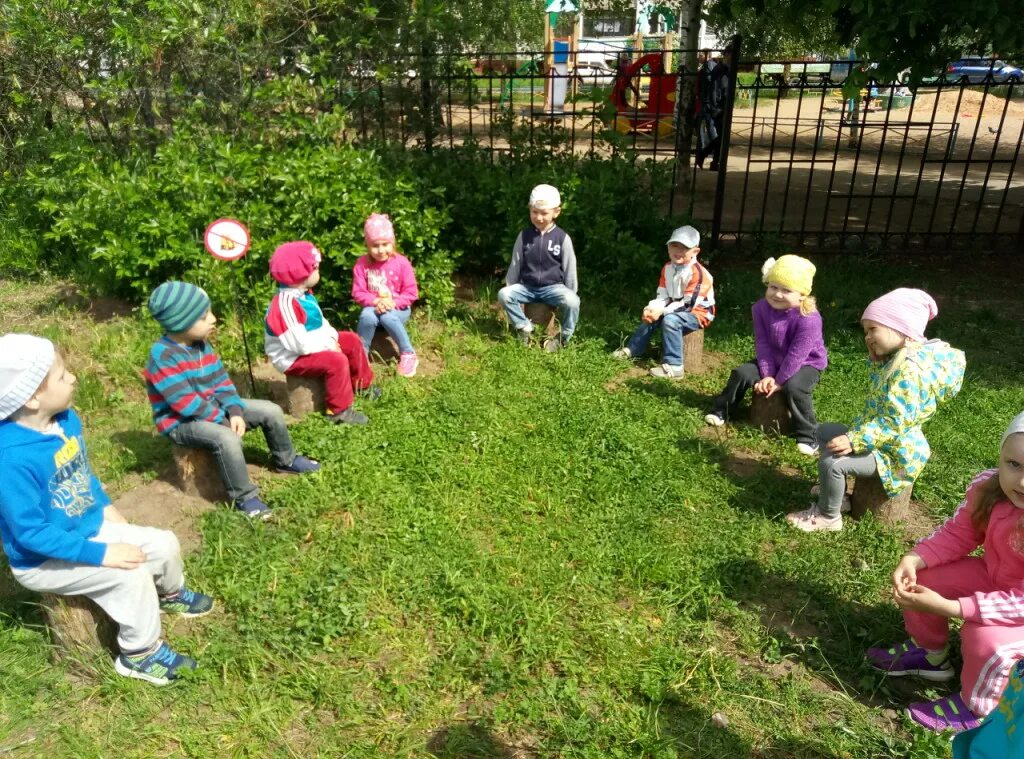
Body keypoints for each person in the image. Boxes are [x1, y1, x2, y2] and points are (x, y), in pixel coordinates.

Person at [0, 333, 213, 685]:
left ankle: (169, 594)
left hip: (87, 525)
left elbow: (81, 473)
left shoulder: (65, 420)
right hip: (43, 559)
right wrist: (101, 554)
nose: (73, 379)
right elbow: (31, 533)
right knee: (129, 574)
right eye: (62, 375)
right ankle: (139, 653)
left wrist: (105, 506)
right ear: (33, 396)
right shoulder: (11, 460)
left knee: (163, 542)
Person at [867, 412, 1024, 734]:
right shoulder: (990, 490)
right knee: (921, 582)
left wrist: (955, 609)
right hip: (994, 578)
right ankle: (932, 655)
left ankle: (977, 710)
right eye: (1014, 464)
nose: (1022, 482)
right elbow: (959, 533)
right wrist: (916, 558)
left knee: (986, 640)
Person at [786, 288, 965, 532]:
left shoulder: (910, 372)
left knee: (833, 464)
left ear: (901, 329)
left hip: (896, 454)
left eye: (873, 329)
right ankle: (836, 494)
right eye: (865, 331)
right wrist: (876, 357)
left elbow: (893, 422)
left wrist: (854, 439)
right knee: (822, 432)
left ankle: (829, 516)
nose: (867, 337)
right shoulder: (895, 358)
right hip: (881, 441)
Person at [145, 281, 321, 521]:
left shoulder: (202, 346)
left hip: (211, 408)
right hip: (180, 422)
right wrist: (222, 420)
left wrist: (235, 410)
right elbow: (184, 403)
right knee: (226, 438)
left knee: (270, 410)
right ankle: (245, 498)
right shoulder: (162, 356)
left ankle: (285, 459)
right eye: (204, 316)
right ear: (180, 322)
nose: (213, 319)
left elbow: (222, 382)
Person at [704, 255, 826, 455]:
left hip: (806, 363)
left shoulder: (809, 318)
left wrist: (779, 381)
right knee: (741, 373)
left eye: (786, 290)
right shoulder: (760, 308)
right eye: (773, 287)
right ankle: (721, 410)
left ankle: (807, 435)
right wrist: (768, 374)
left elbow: (797, 354)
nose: (777, 294)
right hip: (773, 359)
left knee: (794, 387)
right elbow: (763, 343)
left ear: (802, 295)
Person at [265, 240, 376, 421]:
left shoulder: (305, 295)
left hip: (314, 344)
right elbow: (299, 344)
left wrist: (333, 339)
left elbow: (320, 323)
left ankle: (362, 385)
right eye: (315, 268)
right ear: (299, 274)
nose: (318, 271)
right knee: (336, 361)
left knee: (352, 340)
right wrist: (329, 346)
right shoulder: (284, 305)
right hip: (292, 357)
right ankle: (338, 411)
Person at [612, 225, 715, 379]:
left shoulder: (698, 273)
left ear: (695, 251)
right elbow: (663, 295)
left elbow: (688, 305)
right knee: (652, 316)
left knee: (670, 320)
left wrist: (663, 311)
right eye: (674, 246)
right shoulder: (667, 268)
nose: (677, 251)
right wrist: (653, 307)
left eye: (684, 248)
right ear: (668, 247)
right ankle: (634, 349)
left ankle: (675, 366)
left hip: (698, 312)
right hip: (675, 305)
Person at [496, 184, 579, 353]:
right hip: (527, 287)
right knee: (504, 294)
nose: (539, 217)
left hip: (553, 288)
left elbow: (570, 269)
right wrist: (511, 287)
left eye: (544, 213)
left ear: (556, 212)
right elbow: (515, 264)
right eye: (535, 212)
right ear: (529, 210)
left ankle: (563, 337)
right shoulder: (524, 236)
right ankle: (524, 327)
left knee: (574, 302)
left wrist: (570, 294)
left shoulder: (562, 238)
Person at [351, 214, 420, 377]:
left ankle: (408, 353)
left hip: (398, 308)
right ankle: (361, 354)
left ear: (392, 242)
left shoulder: (402, 263)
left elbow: (411, 293)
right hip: (373, 307)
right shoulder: (362, 264)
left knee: (388, 317)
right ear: (367, 245)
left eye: (385, 244)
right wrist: (375, 301)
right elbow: (358, 292)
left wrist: (392, 303)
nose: (381, 250)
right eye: (375, 245)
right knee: (367, 316)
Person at [696, 52, 730, 170]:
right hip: (718, 108)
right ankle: (705, 156)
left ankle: (713, 161)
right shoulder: (718, 69)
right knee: (721, 137)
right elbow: (714, 89)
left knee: (721, 137)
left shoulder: (723, 69)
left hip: (722, 107)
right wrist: (715, 107)